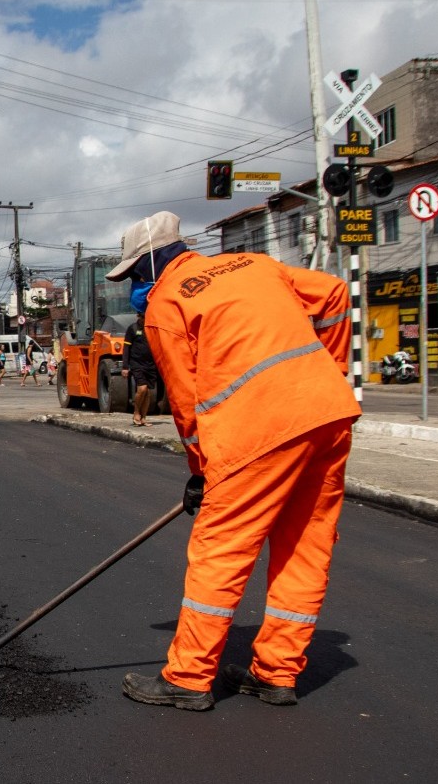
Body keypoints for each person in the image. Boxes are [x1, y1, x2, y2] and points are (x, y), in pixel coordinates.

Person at [109, 211, 359, 711]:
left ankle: (187, 678)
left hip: (257, 431)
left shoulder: (166, 302)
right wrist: (328, 370)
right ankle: (276, 673)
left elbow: (184, 402)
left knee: (220, 551)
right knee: (304, 548)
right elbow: (334, 293)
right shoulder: (254, 264)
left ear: (154, 261)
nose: (137, 285)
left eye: (137, 273)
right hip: (327, 414)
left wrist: (202, 470)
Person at [123, 316, 158, 426]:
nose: (144, 319)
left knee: (147, 392)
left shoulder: (152, 329)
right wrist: (125, 366)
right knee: (142, 388)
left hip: (151, 364)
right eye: (142, 317)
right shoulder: (132, 329)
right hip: (136, 363)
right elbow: (126, 348)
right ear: (138, 316)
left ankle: (143, 418)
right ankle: (136, 413)